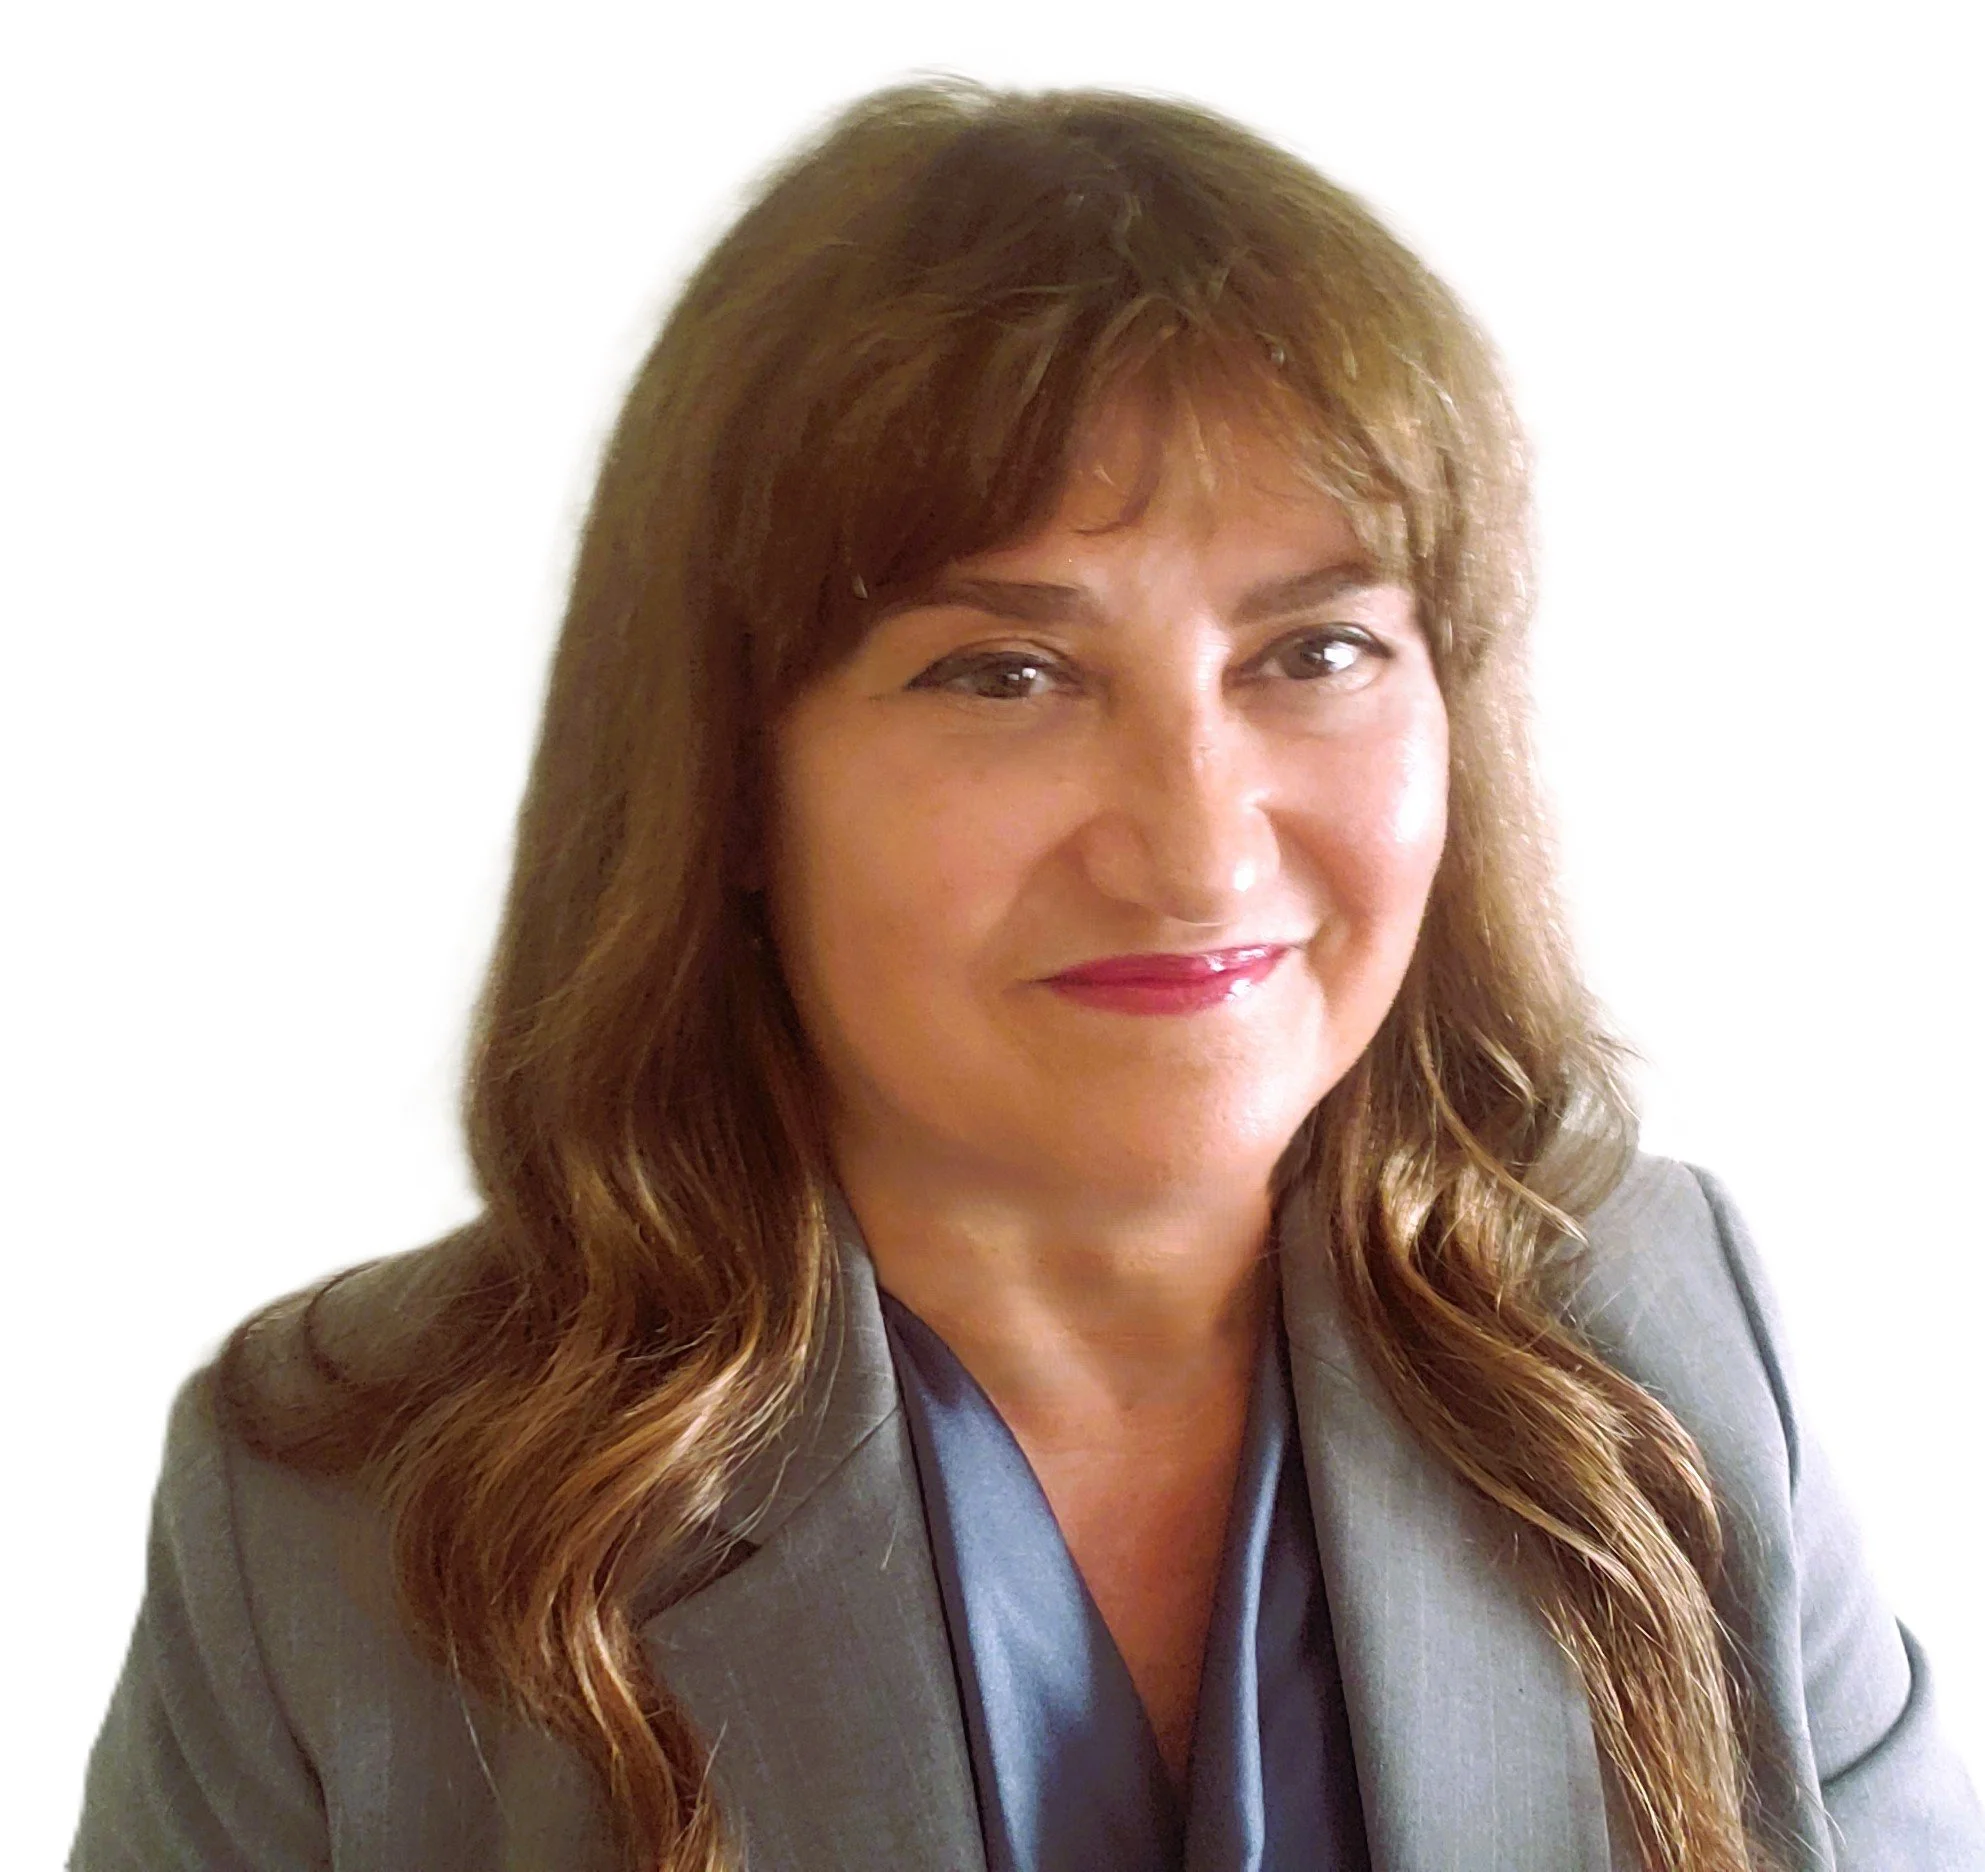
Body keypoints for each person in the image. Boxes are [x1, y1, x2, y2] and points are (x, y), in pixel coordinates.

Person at [71, 79, 1984, 1872]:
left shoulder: (1670, 1344)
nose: (1199, 843)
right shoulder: (336, 1507)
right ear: (731, 774)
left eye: (1312, 653)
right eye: (1006, 675)